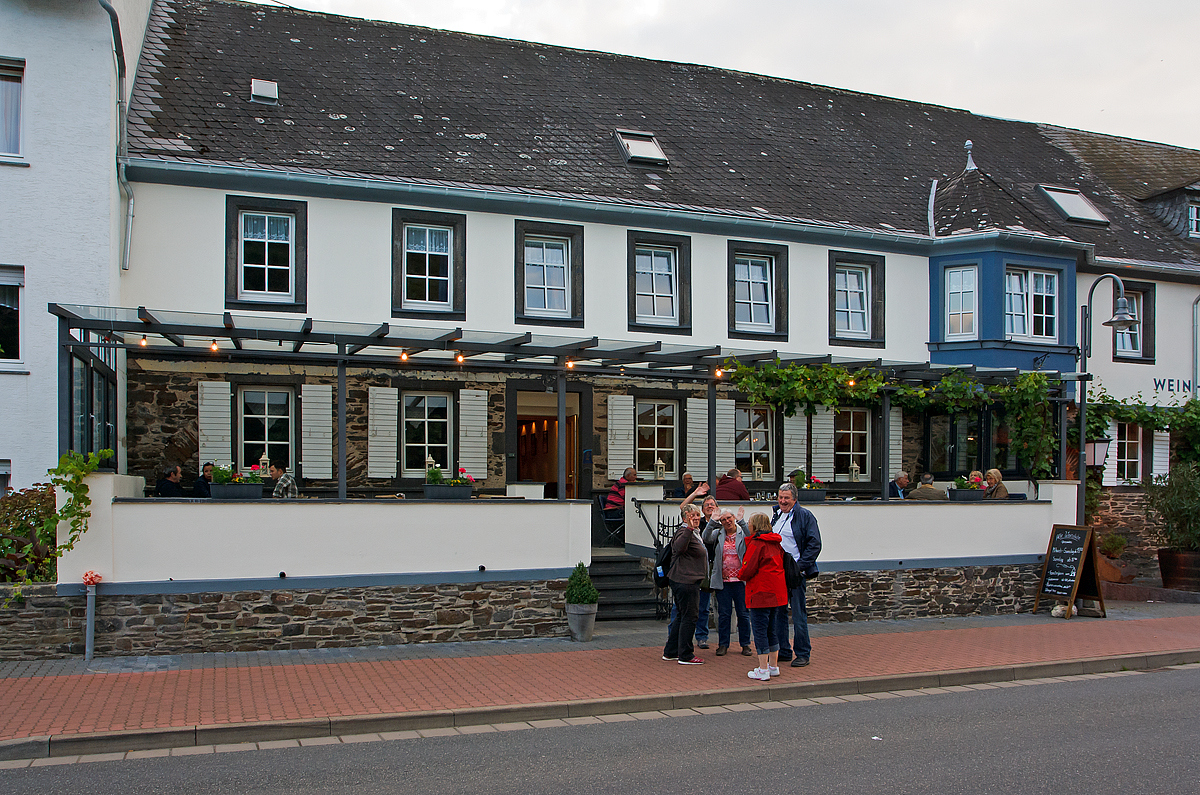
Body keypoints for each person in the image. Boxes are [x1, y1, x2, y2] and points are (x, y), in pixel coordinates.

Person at [772, 482, 822, 667]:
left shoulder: (804, 516)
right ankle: (783, 650)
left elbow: (814, 543)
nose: (783, 501)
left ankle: (802, 653)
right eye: (781, 497)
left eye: (786, 498)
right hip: (777, 571)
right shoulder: (777, 515)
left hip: (795, 572)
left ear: (794, 499)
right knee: (779, 612)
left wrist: (800, 566)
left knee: (799, 613)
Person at [738, 512, 788, 681]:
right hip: (776, 593)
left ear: (755, 525)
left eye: (750, 523)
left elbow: (748, 568)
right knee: (772, 629)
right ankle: (773, 666)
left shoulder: (757, 543)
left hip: (760, 592)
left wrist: (740, 574)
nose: (748, 525)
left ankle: (763, 669)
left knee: (760, 631)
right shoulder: (775, 543)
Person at [662, 504, 709, 666]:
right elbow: (679, 548)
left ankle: (671, 651)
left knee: (682, 615)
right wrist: (689, 528)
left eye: (697, 515)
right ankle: (686, 654)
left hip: (686, 580)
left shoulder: (695, 532)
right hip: (685, 581)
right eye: (692, 516)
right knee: (690, 617)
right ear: (684, 518)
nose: (696, 518)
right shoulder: (685, 531)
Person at [704, 508, 752, 657]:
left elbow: (751, 536)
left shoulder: (742, 533)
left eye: (729, 518)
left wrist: (742, 521)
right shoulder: (718, 534)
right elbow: (705, 537)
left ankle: (745, 644)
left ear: (733, 518)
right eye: (723, 520)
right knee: (724, 614)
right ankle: (723, 644)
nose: (727, 521)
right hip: (723, 581)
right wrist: (712, 521)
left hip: (740, 581)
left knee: (743, 614)